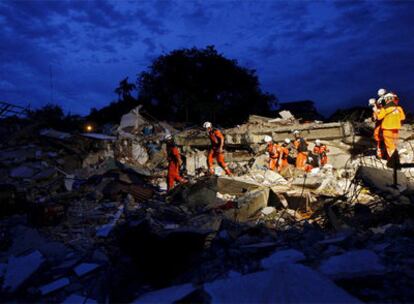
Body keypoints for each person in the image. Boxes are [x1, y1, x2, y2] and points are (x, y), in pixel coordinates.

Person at [376, 93, 405, 159]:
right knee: (394, 143)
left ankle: (393, 160)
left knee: (389, 145)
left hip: (387, 128)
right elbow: (402, 118)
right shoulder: (399, 108)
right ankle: (392, 157)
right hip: (396, 129)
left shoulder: (385, 108)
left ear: (386, 99)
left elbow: (379, 117)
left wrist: (377, 112)